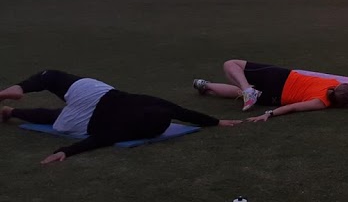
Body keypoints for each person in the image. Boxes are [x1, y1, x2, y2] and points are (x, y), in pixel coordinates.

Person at [0, 69, 239, 164]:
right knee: (55, 117)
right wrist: (64, 151)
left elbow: (185, 113)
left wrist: (217, 121)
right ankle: (12, 112)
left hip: (98, 94)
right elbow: (98, 140)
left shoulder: (158, 104)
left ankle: (17, 94)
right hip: (84, 121)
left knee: (49, 76)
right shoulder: (128, 129)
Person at [192, 59, 348, 120]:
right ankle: (205, 86)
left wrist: (268, 116)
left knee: (230, 65)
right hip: (275, 97)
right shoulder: (325, 101)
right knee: (238, 93)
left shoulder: (330, 87)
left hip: (281, 77)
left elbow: (293, 110)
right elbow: (294, 107)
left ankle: (247, 90)